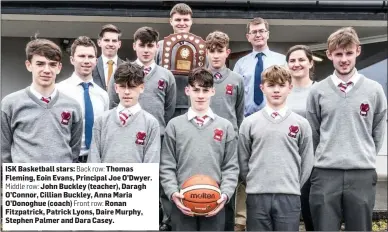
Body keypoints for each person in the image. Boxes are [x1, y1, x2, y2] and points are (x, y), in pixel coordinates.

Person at [306, 27, 387, 231]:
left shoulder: (374, 90)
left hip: (361, 173)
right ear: (329, 55)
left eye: (349, 53)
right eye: (339, 54)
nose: (344, 59)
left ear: (358, 51)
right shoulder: (317, 91)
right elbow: (314, 133)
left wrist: (363, 154)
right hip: (325, 173)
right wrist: (325, 156)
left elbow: (377, 132)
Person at [160, 67, 239, 231]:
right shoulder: (174, 126)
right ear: (187, 90)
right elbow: (167, 165)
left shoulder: (225, 126)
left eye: (205, 90)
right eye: (196, 90)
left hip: (214, 201)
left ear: (213, 91)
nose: (201, 95)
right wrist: (173, 193)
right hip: (182, 201)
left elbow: (231, 166)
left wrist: (224, 195)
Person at [238, 65, 314, 231]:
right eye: (271, 85)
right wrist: (253, 182)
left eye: (281, 85)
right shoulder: (249, 123)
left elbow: (307, 161)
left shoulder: (301, 124)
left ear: (290, 88)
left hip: (289, 196)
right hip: (257, 195)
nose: (276, 90)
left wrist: (292, 185)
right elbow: (243, 160)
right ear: (262, 88)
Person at [232, 17, 286, 231]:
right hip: (248, 123)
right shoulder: (241, 63)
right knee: (246, 170)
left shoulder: (281, 60)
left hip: (275, 123)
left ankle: (274, 215)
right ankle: (242, 219)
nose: (258, 34)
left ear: (268, 34)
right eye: (254, 32)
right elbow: (235, 97)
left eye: (261, 31)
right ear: (248, 37)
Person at [1, 38, 83, 163]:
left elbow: (74, 151)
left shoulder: (73, 106)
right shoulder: (10, 104)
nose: (46, 70)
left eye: (52, 64)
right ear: (29, 65)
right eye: (40, 64)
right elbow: (3, 151)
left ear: (59, 67)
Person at [205, 30, 244, 231]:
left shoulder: (236, 80)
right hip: (204, 142)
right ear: (206, 52)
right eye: (211, 51)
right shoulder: (199, 77)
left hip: (228, 145)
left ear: (227, 52)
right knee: (204, 189)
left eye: (220, 50)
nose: (216, 55)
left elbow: (239, 114)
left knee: (227, 192)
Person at [87, 61, 160, 163]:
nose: (126, 92)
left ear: (142, 88)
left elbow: (151, 163)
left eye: (132, 87)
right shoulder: (102, 121)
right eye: (122, 86)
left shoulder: (151, 123)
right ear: (116, 88)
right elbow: (93, 160)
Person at [57, 36, 109, 163]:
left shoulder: (103, 95)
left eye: (90, 57)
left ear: (96, 61)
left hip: (95, 162)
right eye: (81, 56)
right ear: (72, 59)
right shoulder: (58, 91)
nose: (86, 61)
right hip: (65, 162)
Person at [285, 44, 315, 231]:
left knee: (311, 214)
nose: (297, 64)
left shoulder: (319, 90)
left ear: (311, 63)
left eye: (301, 59)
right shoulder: (281, 91)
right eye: (292, 61)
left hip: (312, 162)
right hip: (287, 161)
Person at [155, 3, 194, 120]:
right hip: (164, 105)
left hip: (191, 106)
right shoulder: (159, 47)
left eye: (186, 19)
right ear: (171, 21)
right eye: (178, 19)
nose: (182, 23)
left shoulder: (200, 48)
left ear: (191, 21)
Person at [92, 24, 124, 91]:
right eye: (107, 40)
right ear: (99, 42)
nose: (110, 44)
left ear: (119, 44)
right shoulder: (91, 65)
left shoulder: (126, 67)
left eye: (114, 41)